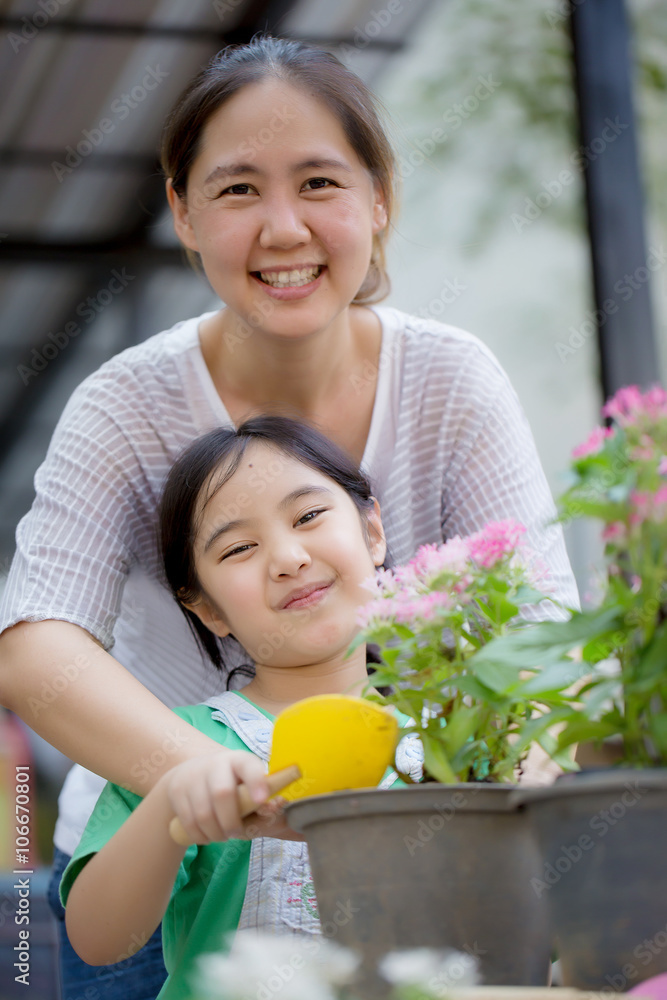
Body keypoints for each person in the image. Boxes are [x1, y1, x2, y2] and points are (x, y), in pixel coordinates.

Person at [0, 35, 578, 1000]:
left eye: (319, 183)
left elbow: (543, 630)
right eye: (235, 191)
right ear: (181, 213)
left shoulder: (452, 379)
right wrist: (226, 786)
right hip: (164, 879)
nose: (282, 229)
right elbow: (37, 646)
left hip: (410, 865)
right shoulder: (123, 402)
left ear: (378, 198)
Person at [61, 415, 410, 1000]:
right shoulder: (174, 745)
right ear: (206, 609)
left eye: (308, 516)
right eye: (240, 548)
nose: (289, 557)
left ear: (372, 531)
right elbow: (100, 942)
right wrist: (173, 801)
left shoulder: (456, 739)